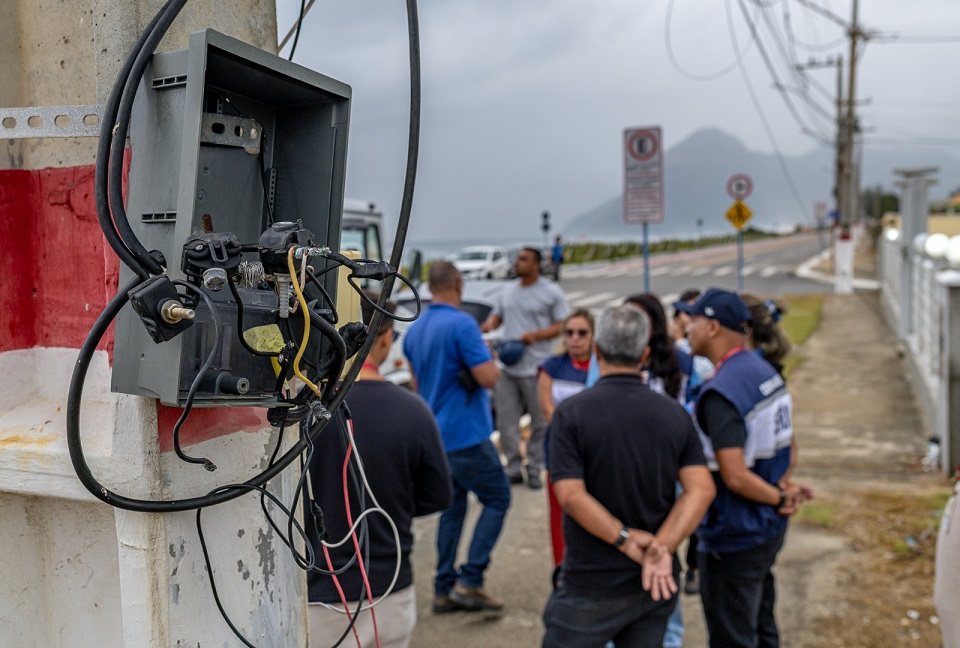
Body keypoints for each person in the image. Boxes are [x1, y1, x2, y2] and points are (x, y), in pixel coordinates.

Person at [542, 305, 715, 648]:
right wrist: (662, 547)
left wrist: (623, 539)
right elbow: (701, 489)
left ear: (597, 350)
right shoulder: (674, 414)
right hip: (653, 581)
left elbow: (571, 495)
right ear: (644, 354)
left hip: (591, 580)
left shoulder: (572, 414)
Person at [305, 293, 452, 648]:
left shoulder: (302, 413)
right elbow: (436, 497)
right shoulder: (414, 411)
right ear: (385, 337)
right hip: (390, 593)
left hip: (319, 600)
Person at [679, 288, 813, 648]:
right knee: (761, 624)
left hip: (735, 534)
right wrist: (781, 488)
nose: (686, 328)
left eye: (692, 320)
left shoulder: (722, 390)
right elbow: (789, 445)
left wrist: (780, 496)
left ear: (712, 328)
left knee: (734, 636)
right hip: (766, 528)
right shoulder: (763, 371)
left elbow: (735, 476)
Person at [403, 262, 511, 613]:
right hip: (468, 436)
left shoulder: (416, 330)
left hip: (437, 436)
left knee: (452, 511)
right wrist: (490, 358)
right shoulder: (463, 324)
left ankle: (443, 588)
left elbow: (417, 386)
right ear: (458, 284)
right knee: (498, 498)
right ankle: (472, 580)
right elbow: (489, 378)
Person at [481, 246, 570, 490]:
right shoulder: (508, 291)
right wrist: (487, 327)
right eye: (517, 259)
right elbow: (497, 317)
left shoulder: (550, 292)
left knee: (539, 422)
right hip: (508, 368)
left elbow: (562, 324)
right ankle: (513, 468)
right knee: (506, 421)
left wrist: (536, 335)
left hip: (538, 368)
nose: (517, 262)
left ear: (536, 264)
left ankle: (534, 467)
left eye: (523, 259)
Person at [536, 309, 595, 568]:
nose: (575, 339)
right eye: (570, 333)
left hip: (594, 452)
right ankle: (562, 570)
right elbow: (548, 411)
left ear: (593, 336)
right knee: (560, 515)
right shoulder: (551, 367)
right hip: (561, 451)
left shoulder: (602, 366)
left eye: (582, 333)